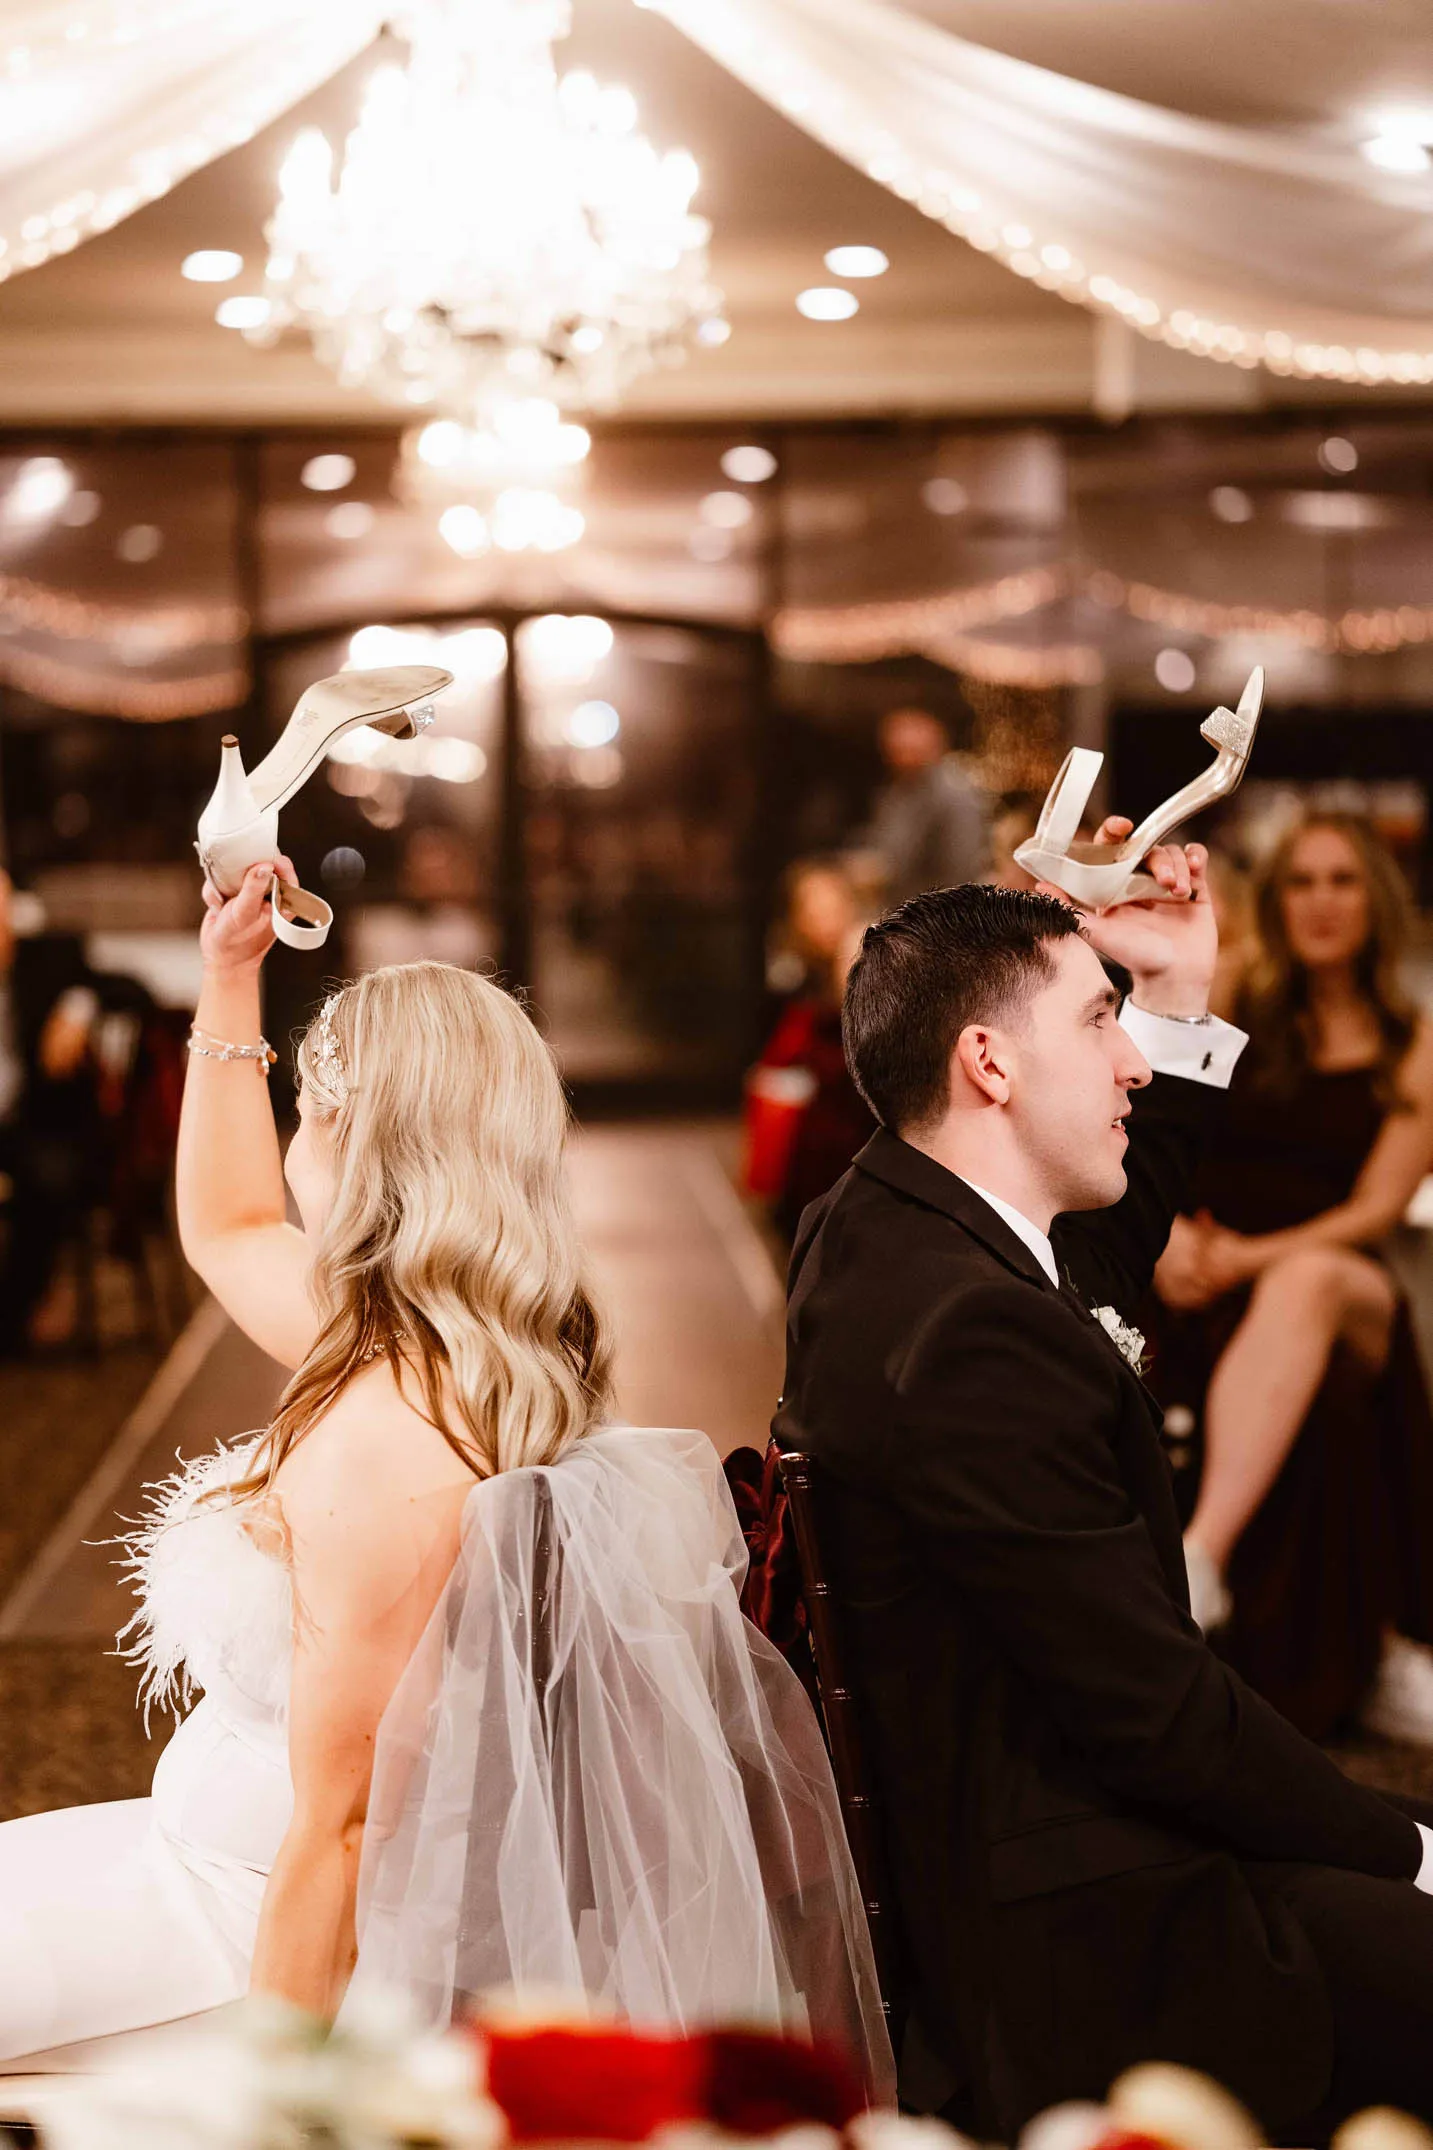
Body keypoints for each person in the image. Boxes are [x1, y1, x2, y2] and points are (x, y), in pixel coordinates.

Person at [0, 858, 890, 2091]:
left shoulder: (387, 1436)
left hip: (243, 1919)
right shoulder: (422, 1341)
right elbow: (227, 1226)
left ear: (356, 1139)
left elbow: (348, 1831)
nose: (295, 1140)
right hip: (197, 1855)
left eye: (310, 1106)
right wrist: (229, 974)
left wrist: (270, 2102)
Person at [775, 829, 1433, 2142]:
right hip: (1100, 1930)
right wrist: (1408, 1849)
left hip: (1044, 1840)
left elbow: (1101, 1281)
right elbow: (1162, 1721)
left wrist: (1181, 994)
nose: (1132, 1057)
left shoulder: (884, 1225)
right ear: (991, 1061)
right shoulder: (972, 1336)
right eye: (1102, 1020)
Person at [1150, 815, 1433, 1739]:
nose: (1321, 902)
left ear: (1374, 901)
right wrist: (1170, 1242)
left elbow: (1377, 1210)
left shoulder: (1411, 1041)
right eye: (1301, 882)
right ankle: (1351, 1650)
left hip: (1344, 1284)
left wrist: (1245, 1258)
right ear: (1274, 901)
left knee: (1310, 1280)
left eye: (1342, 881)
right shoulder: (1235, 1005)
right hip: (1209, 1272)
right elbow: (1162, 1135)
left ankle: (1200, 1560)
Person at [748, 860, 874, 1241]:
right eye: (812, 911)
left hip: (853, 1134)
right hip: (807, 1136)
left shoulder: (862, 960)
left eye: (830, 908)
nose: (822, 921)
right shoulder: (793, 976)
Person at [858, 707, 987, 905]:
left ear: (935, 744)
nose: (900, 755)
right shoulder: (899, 790)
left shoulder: (955, 795)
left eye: (908, 748)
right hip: (898, 904)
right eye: (895, 749)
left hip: (936, 911)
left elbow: (961, 868)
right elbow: (884, 846)